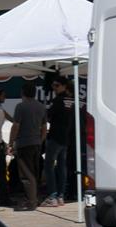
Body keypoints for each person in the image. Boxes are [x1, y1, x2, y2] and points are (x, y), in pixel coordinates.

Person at [8, 80, 47, 211]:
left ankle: (31, 202)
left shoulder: (20, 106)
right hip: (36, 143)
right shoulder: (41, 106)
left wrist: (10, 143)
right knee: (34, 172)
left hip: (24, 143)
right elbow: (44, 127)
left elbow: (16, 126)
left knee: (26, 174)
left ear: (23, 93)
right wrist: (40, 140)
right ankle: (35, 198)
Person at [42, 76, 73, 207]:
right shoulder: (71, 100)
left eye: (56, 85)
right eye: (53, 85)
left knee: (49, 166)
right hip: (66, 137)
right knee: (62, 167)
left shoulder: (57, 100)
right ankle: (60, 196)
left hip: (55, 137)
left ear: (64, 86)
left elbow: (48, 116)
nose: (54, 88)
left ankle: (53, 196)